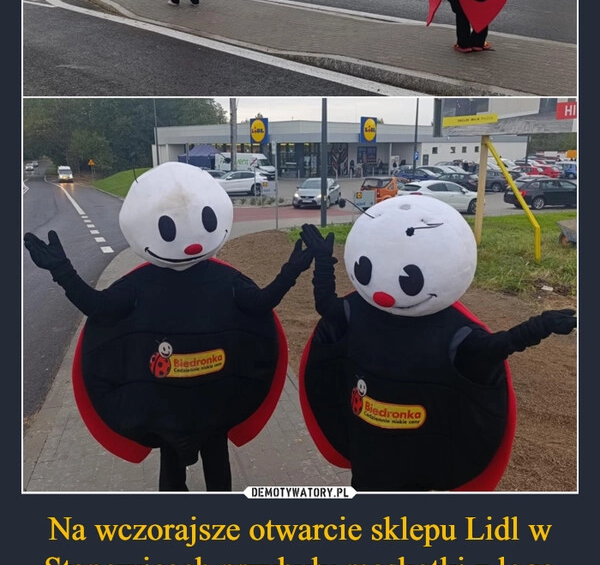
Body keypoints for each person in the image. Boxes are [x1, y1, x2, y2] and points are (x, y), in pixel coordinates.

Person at [24, 162, 314, 492]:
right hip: (174, 409)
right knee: (178, 477)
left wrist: (292, 270)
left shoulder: (223, 282)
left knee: (213, 474)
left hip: (202, 406)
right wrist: (61, 271)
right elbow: (99, 308)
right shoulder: (148, 287)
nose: (190, 246)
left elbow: (261, 305)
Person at [298, 199, 576, 493]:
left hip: (417, 457)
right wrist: (324, 263)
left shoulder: (453, 334)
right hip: (368, 451)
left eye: (410, 281)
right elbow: (326, 306)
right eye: (364, 269)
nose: (384, 295)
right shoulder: (357, 311)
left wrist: (538, 327)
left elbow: (495, 349)